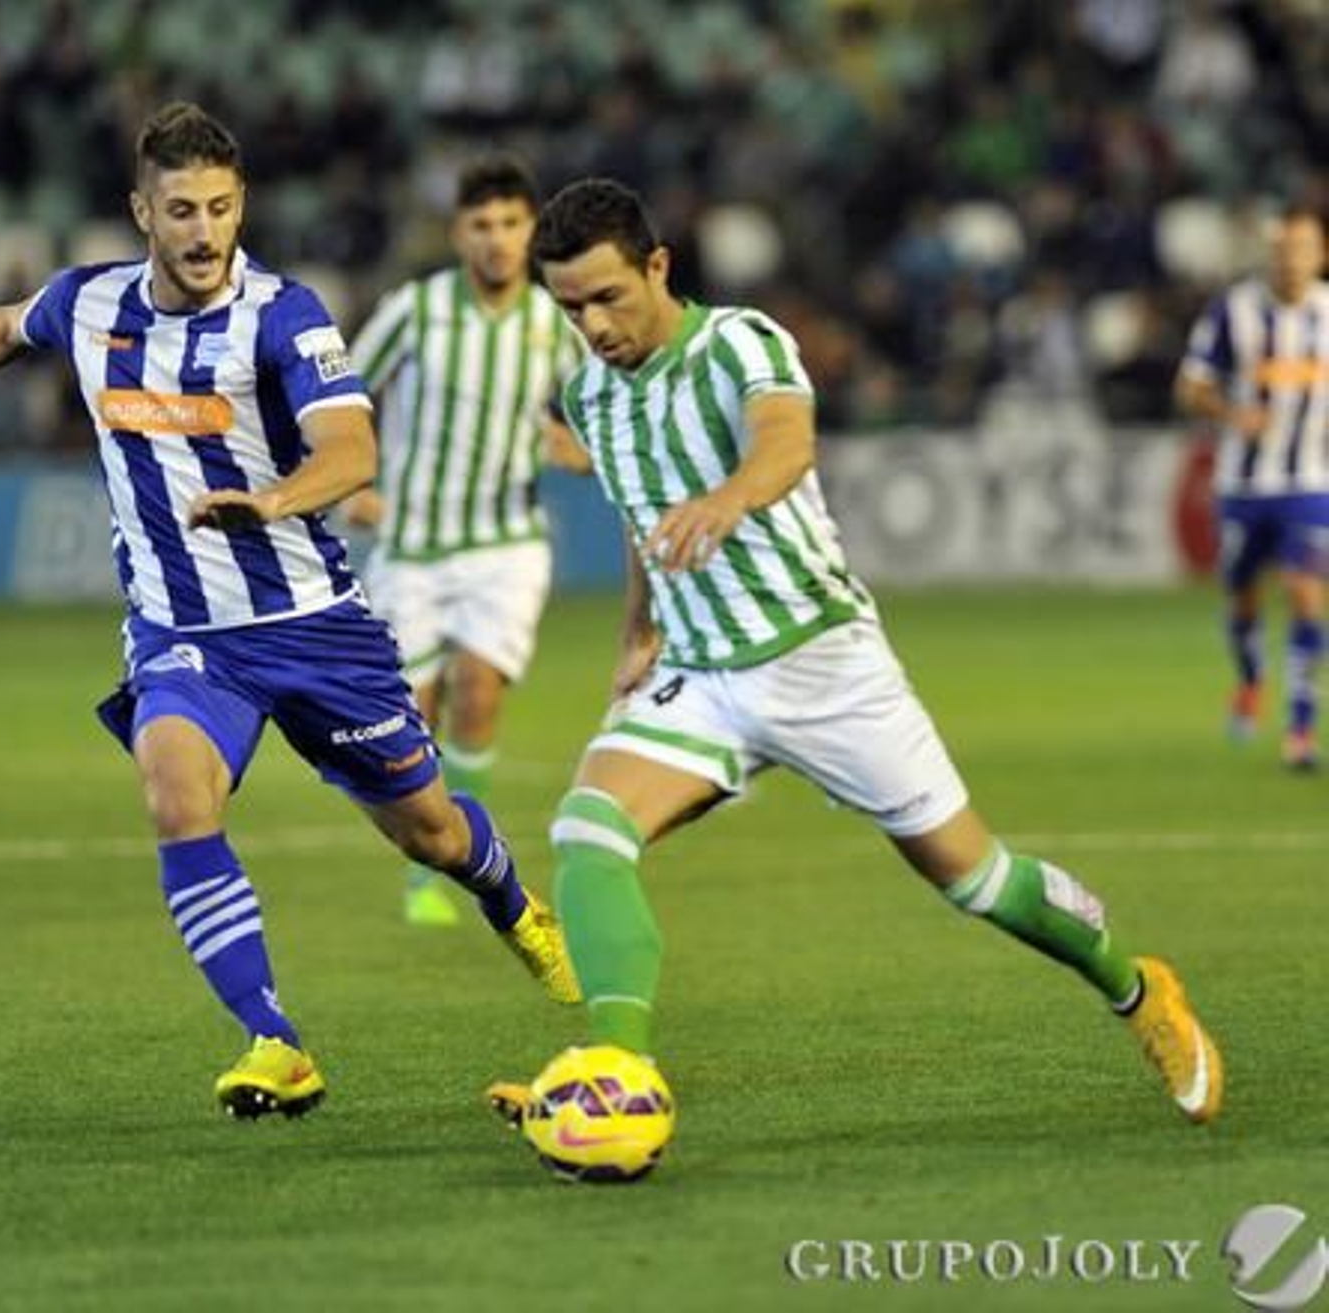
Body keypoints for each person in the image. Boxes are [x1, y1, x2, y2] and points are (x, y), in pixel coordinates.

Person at [0, 102, 578, 1122]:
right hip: (181, 633)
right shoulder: (89, 304)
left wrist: (277, 496)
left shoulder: (285, 315)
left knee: (430, 832)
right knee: (175, 794)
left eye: (219, 207)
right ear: (141, 213)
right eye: (181, 211)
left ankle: (514, 901)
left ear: (240, 204)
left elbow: (353, 450)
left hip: (313, 627)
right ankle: (275, 1039)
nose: (204, 231)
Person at [486, 179, 1223, 1166]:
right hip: (703, 672)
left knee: (975, 878)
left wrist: (731, 501)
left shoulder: (740, 343)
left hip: (824, 663)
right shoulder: (588, 392)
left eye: (608, 297)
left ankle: (1136, 987)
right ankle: (615, 1067)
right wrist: (639, 626)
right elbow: (637, 508)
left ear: (657, 265)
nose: (592, 325)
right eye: (569, 306)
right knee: (587, 825)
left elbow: (787, 441)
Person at [347, 155, 590, 926]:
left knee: (478, 689)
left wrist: (578, 451)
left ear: (532, 231)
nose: (497, 240)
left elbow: (604, 416)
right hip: (412, 543)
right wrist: (350, 484)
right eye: (481, 225)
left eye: (511, 224)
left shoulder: (556, 323)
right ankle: (433, 860)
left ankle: (468, 868)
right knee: (411, 718)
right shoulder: (415, 310)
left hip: (505, 542)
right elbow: (342, 394)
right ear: (458, 233)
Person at [1174, 204, 1329, 771]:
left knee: (1306, 592)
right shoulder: (1233, 311)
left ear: (1321, 256)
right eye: (1283, 249)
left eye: (1302, 249)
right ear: (1271, 254)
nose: (1291, 260)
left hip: (1310, 484)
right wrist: (1229, 410)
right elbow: (1188, 386)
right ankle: (1250, 678)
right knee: (1242, 596)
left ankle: (1301, 727)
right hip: (1241, 485)